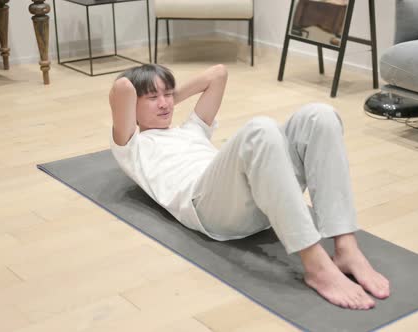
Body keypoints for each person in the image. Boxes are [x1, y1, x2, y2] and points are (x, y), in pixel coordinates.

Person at [109, 63, 390, 310]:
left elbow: (218, 74)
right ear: (133, 106)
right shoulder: (132, 146)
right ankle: (315, 263)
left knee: (320, 115)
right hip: (208, 208)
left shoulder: (191, 129)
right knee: (260, 129)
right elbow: (122, 88)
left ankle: (346, 247)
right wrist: (152, 95)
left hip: (258, 202)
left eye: (167, 95)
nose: (164, 104)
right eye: (152, 97)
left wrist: (168, 97)